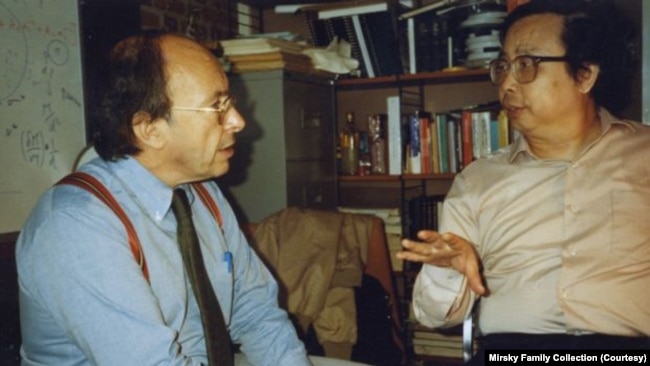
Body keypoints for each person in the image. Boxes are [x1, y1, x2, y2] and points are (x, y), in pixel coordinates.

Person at [15, 31, 338, 366]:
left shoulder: (201, 192)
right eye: (217, 106)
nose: (237, 121)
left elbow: (255, 312)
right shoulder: (76, 227)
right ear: (149, 128)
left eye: (231, 102)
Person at [397, 0, 650, 363]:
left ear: (585, 75)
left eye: (527, 64)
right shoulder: (477, 181)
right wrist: (444, 271)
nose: (508, 83)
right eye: (503, 66)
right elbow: (436, 317)